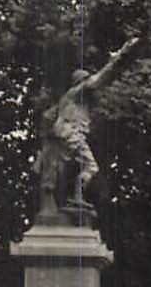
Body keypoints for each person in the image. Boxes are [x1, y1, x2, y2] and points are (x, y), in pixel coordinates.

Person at [39, 37, 142, 212]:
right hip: (72, 134)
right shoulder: (78, 91)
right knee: (91, 166)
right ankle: (76, 197)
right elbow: (98, 79)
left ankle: (64, 199)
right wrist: (118, 57)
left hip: (63, 135)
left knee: (63, 170)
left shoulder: (68, 98)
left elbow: (48, 116)